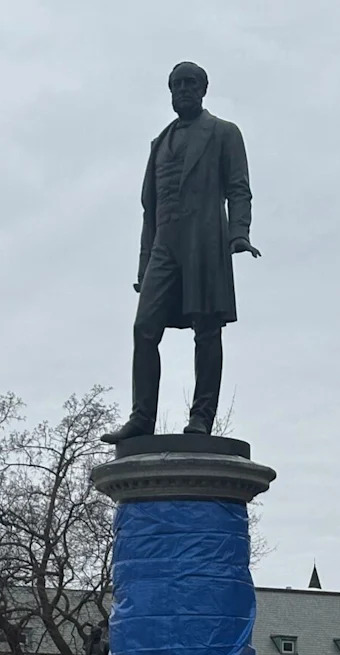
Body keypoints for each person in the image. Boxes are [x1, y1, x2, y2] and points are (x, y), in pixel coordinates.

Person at [102, 62, 260, 445]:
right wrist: (144, 266)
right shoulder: (159, 143)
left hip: (205, 239)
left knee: (207, 329)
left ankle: (202, 416)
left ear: (204, 90)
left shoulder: (223, 133)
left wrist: (238, 233)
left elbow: (238, 187)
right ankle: (142, 418)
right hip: (165, 244)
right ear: (170, 91)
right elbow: (149, 211)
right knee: (144, 328)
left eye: (192, 83)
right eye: (177, 84)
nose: (184, 90)